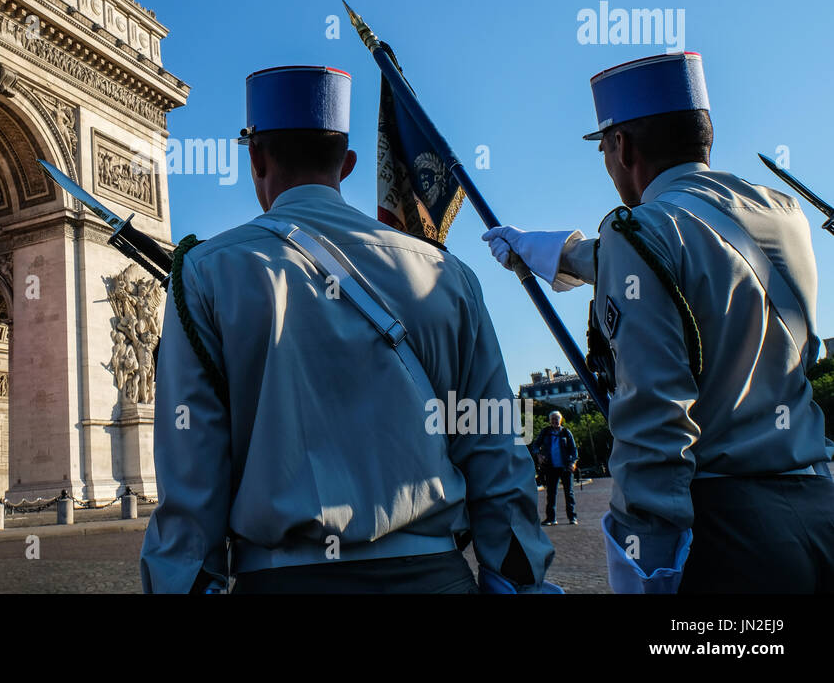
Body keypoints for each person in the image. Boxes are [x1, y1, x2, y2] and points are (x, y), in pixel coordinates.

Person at [140, 64, 554, 593]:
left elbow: (190, 474)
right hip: (436, 576)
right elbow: (496, 447)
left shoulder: (203, 275)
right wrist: (518, 578)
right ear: (349, 163)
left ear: (256, 157)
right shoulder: (448, 276)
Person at [482, 52, 834, 593]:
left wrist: (646, 561)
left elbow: (654, 421)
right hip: (817, 507)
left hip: (730, 529)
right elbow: (688, 262)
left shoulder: (638, 231)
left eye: (603, 146)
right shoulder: (781, 212)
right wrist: (544, 249)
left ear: (621, 145)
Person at [530, 411, 578, 525]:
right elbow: (535, 445)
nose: (555, 421)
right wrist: (539, 455)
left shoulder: (566, 433)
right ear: (550, 420)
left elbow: (573, 449)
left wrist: (573, 462)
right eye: (552, 419)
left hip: (565, 466)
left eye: (557, 419)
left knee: (569, 493)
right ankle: (551, 518)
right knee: (551, 493)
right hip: (550, 467)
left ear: (560, 420)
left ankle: (572, 517)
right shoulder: (545, 432)